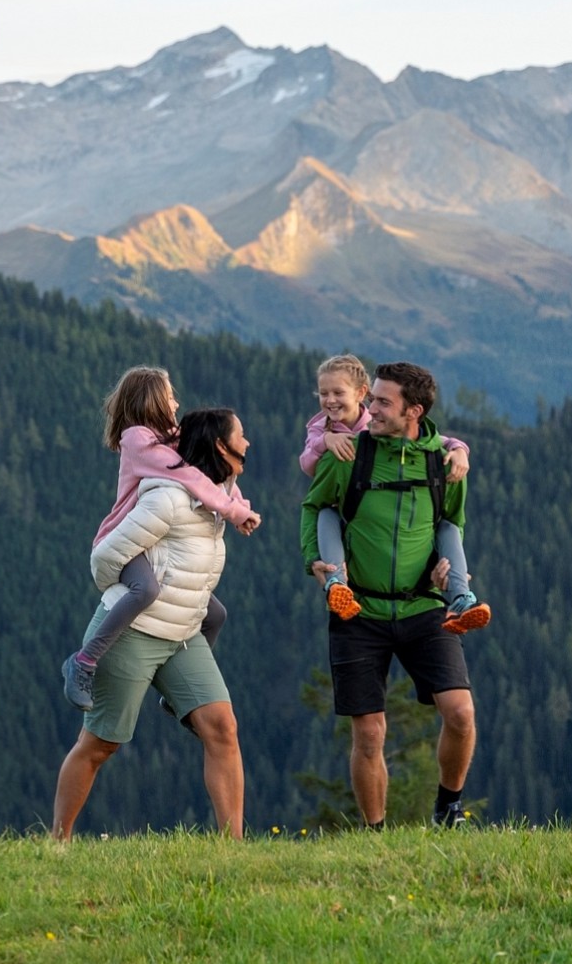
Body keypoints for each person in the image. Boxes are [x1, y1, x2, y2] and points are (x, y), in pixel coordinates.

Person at [300, 362, 486, 829]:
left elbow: (452, 523)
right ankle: (376, 834)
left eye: (383, 402)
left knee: (461, 714)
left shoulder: (444, 463)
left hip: (425, 605)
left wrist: (449, 569)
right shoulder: (349, 454)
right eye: (373, 399)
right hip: (358, 610)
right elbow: (315, 507)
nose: (370, 409)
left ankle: (449, 809)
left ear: (413, 411)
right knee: (369, 733)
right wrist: (315, 562)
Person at [52, 407, 251, 841]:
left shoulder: (218, 499)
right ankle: (58, 842)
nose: (248, 443)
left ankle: (233, 846)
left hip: (183, 636)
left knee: (223, 727)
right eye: (241, 435)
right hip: (131, 635)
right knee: (101, 744)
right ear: (220, 446)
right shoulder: (168, 500)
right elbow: (105, 554)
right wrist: (137, 590)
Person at [62, 367, 260, 710]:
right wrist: (233, 511)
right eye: (170, 396)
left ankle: (178, 695)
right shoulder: (138, 439)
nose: (176, 402)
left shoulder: (169, 439)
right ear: (152, 401)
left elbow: (208, 476)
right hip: (124, 539)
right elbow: (190, 475)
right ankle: (84, 661)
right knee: (147, 589)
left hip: (148, 539)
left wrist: (238, 505)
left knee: (215, 615)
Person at [300, 353, 489, 632]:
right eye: (323, 393)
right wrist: (325, 440)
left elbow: (436, 444)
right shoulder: (327, 434)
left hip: (423, 607)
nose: (330, 400)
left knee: (447, 527)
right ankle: (337, 583)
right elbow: (309, 477)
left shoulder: (436, 461)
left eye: (338, 392)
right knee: (327, 513)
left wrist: (459, 449)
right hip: (361, 604)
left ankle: (461, 597)